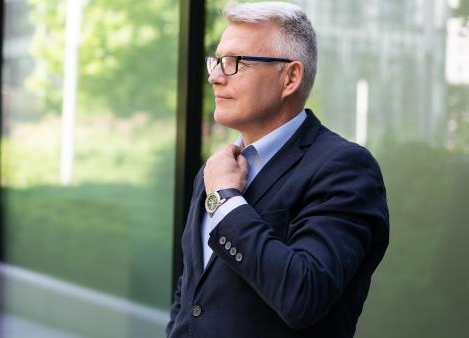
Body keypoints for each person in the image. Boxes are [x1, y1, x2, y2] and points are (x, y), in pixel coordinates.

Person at [165, 2, 389, 337]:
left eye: (234, 63)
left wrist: (226, 201)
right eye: (217, 61)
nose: (214, 76)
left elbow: (303, 294)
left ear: (290, 78)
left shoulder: (344, 168)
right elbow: (192, 296)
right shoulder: (218, 168)